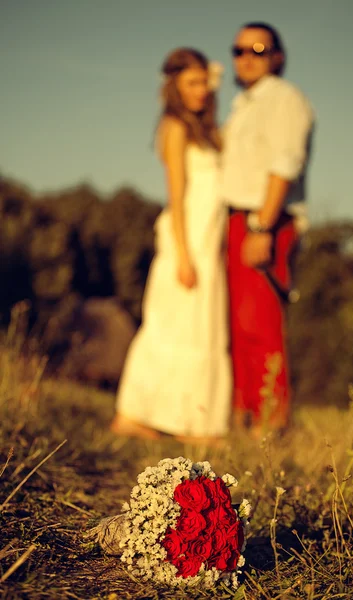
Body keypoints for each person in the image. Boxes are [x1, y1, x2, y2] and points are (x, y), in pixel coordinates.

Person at [111, 48, 231, 443]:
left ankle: (193, 419)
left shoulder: (207, 130)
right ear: (175, 87)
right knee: (172, 323)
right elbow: (176, 196)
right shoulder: (174, 127)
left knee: (201, 328)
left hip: (209, 240)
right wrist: (183, 253)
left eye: (203, 82)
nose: (199, 90)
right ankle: (134, 414)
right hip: (187, 238)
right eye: (191, 83)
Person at [221, 22, 314, 437]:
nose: (246, 57)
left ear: (277, 55)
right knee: (238, 323)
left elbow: (284, 165)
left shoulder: (285, 99)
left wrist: (262, 225)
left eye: (257, 49)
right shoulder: (245, 103)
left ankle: (274, 419)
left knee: (259, 320)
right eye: (238, 50)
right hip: (239, 217)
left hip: (266, 219)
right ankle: (246, 413)